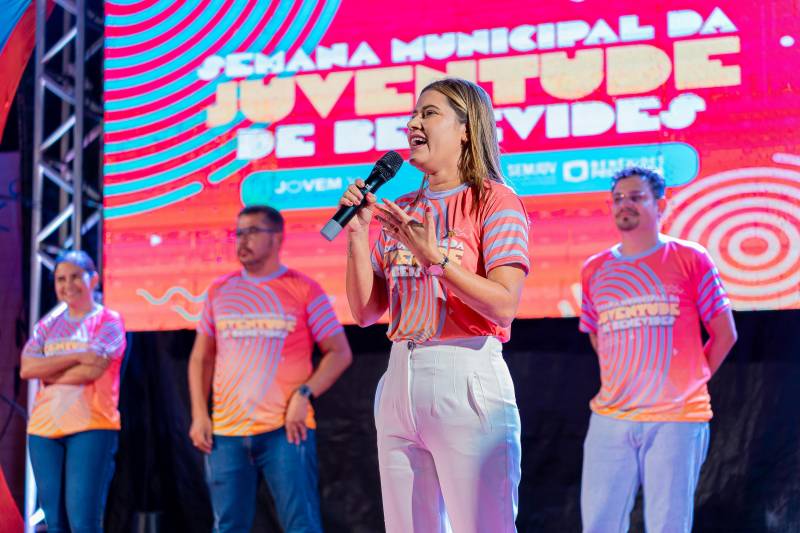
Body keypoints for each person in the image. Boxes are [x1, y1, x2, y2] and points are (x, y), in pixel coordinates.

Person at [340, 78, 530, 533]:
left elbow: (504, 305)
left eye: (429, 113)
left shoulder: (495, 201)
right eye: (413, 115)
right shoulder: (401, 209)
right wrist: (356, 235)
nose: (412, 123)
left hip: (464, 376)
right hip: (400, 376)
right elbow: (366, 312)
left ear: (467, 128)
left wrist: (436, 260)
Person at [578, 166, 738, 532]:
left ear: (659, 204)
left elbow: (725, 333)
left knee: (668, 524)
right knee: (599, 523)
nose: (625, 205)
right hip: (611, 416)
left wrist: (688, 384)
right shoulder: (595, 269)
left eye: (636, 197)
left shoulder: (690, 258)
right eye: (618, 198)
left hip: (677, 418)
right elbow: (595, 332)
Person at [188, 205, 352, 533]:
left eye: (252, 232)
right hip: (226, 434)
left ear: (276, 238)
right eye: (239, 233)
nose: (242, 240)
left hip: (286, 431)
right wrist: (199, 414)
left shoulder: (304, 289)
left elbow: (339, 352)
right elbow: (201, 358)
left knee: (301, 525)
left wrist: (304, 394)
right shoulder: (220, 291)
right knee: (227, 526)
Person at [20, 250, 126, 533]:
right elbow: (27, 369)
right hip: (43, 431)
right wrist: (78, 355)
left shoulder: (109, 321)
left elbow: (93, 371)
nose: (68, 285)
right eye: (60, 279)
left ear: (94, 280)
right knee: (55, 523)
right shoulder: (47, 325)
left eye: (76, 277)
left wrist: (50, 371)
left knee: (83, 522)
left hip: (91, 425)